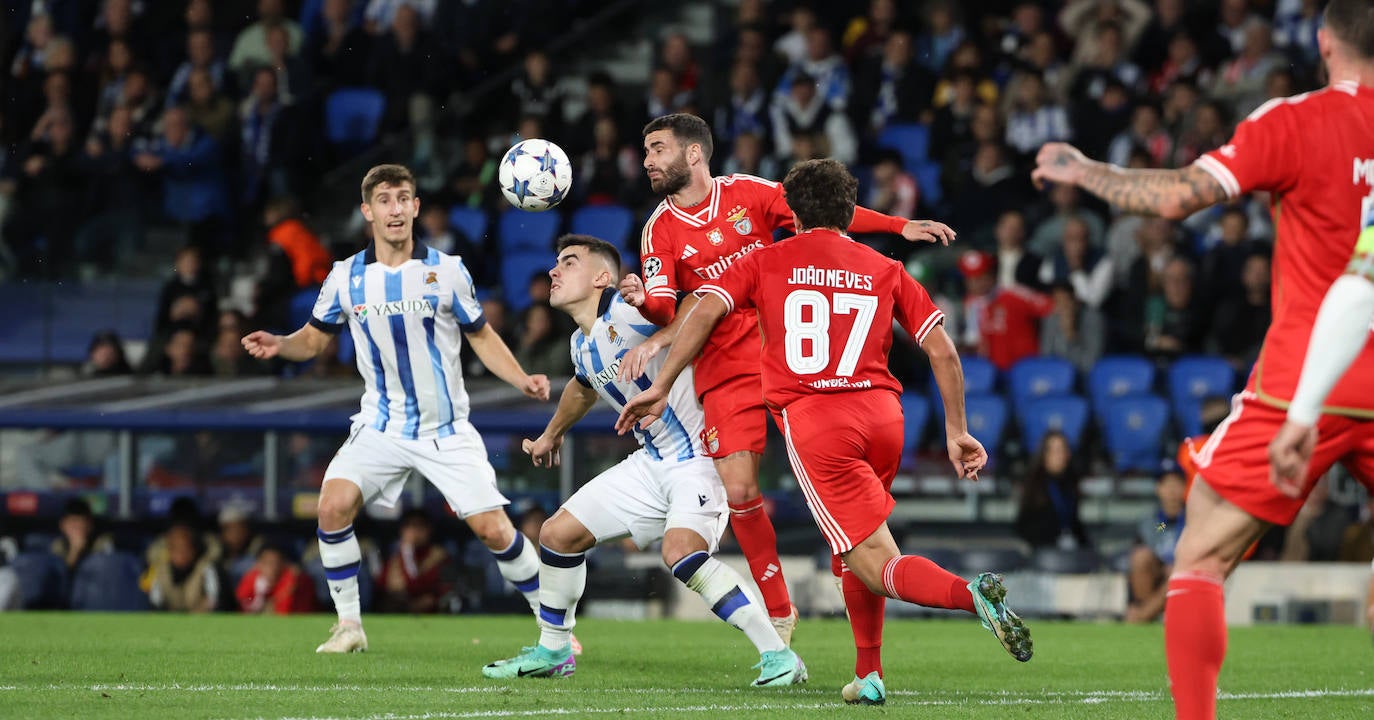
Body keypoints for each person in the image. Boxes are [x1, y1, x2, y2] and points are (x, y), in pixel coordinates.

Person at [1031, 3, 1374, 716]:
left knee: (1199, 559)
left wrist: (1088, 171)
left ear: (1322, 41)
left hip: (1310, 372)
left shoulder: (1295, 120)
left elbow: (1181, 197)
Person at [617, 159, 1031, 705]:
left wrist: (664, 383)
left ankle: (970, 594)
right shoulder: (884, 267)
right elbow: (942, 350)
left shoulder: (766, 260)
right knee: (858, 545)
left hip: (820, 422)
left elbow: (702, 315)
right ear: (847, 209)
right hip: (884, 416)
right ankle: (870, 674)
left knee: (874, 560)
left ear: (792, 210)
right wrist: (957, 429)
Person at [620, 113, 955, 644]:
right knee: (739, 488)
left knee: (839, 482)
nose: (647, 161)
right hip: (725, 367)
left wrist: (897, 226)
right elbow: (666, 305)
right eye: (645, 151)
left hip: (789, 356)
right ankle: (779, 610)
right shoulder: (657, 229)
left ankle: (858, 576)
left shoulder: (749, 193)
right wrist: (645, 300)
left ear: (693, 154)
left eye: (656, 149)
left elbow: (821, 210)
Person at [242, 164, 552, 653]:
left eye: (404, 198)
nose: (395, 209)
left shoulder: (447, 271)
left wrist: (521, 379)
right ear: (368, 211)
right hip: (381, 426)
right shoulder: (345, 277)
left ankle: (555, 628)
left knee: (495, 531)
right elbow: (313, 341)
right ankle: (350, 627)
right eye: (384, 200)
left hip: (445, 430)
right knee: (331, 507)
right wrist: (279, 345)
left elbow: (482, 337)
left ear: (416, 208)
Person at [482, 235, 806, 686]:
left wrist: (655, 310)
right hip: (652, 461)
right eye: (556, 263)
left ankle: (778, 655)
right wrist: (550, 435)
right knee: (556, 535)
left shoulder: (631, 309)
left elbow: (700, 303)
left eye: (568, 263)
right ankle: (554, 651)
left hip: (700, 458)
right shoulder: (581, 342)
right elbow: (581, 387)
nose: (554, 271)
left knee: (681, 554)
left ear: (601, 277)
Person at [1124, 469, 1186, 624]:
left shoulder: (1191, 519)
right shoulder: (1161, 523)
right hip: (1158, 570)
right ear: (1158, 489)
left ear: (1185, 487)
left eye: (1176, 485)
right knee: (1140, 557)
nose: (1171, 491)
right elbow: (1153, 540)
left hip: (1184, 570)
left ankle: (1141, 617)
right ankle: (1145, 612)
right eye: (1167, 485)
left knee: (1175, 573)